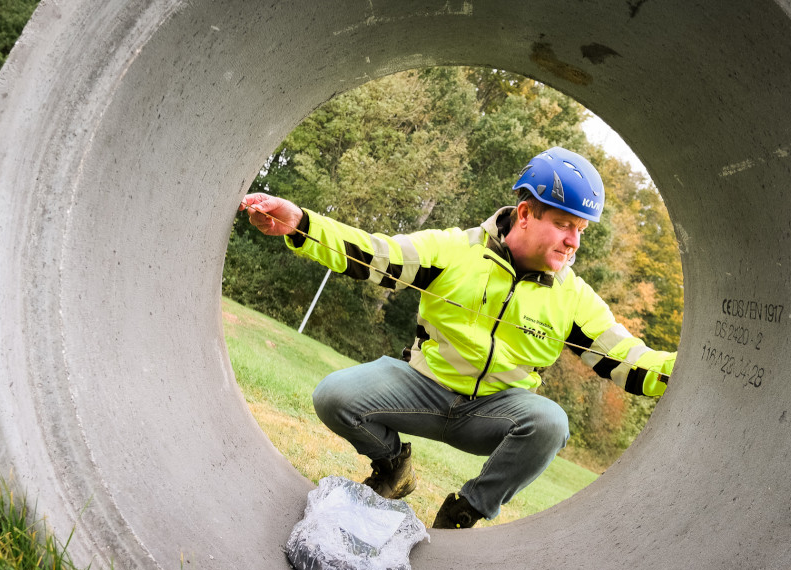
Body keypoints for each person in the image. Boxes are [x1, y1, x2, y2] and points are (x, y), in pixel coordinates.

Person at [240, 146, 677, 529]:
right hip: (422, 391)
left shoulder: (575, 297)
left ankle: (464, 512)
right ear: (525, 214)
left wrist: (688, 367)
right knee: (333, 395)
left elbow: (630, 362)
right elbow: (375, 254)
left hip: (493, 414)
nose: (574, 241)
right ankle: (394, 468)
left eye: (581, 230)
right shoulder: (454, 249)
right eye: (565, 225)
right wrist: (300, 225)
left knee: (551, 423)